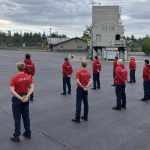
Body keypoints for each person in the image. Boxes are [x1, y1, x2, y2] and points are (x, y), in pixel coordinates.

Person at [10, 62, 34, 143]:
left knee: (17, 118)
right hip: (25, 97)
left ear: (18, 68)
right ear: (24, 68)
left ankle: (16, 135)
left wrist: (20, 97)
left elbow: (12, 90)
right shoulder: (28, 77)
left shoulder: (14, 78)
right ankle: (28, 133)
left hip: (18, 98)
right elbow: (32, 87)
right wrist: (27, 96)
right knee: (26, 116)